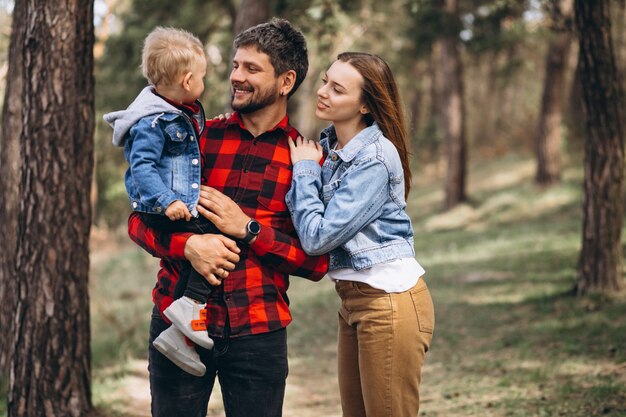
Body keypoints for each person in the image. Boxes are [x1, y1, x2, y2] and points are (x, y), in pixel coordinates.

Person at [126, 18, 329, 417]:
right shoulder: (192, 137)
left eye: (251, 69)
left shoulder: (306, 161)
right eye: (235, 65)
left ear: (286, 81)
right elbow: (138, 221)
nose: (236, 76)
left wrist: (250, 230)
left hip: (258, 334)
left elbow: (316, 262)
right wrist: (189, 245)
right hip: (173, 323)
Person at [285, 52, 435, 417]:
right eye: (325, 81)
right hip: (353, 301)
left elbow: (318, 237)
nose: (323, 92)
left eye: (337, 89)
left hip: (388, 303)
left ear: (365, 105)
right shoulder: (333, 151)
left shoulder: (374, 159)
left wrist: (304, 171)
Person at [104, 27, 224, 377]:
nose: (204, 83)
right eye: (202, 77)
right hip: (161, 207)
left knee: (206, 250)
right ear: (188, 80)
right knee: (217, 237)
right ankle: (188, 309)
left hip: (172, 202)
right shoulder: (154, 120)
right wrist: (167, 199)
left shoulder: (174, 109)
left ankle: (180, 334)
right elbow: (141, 166)